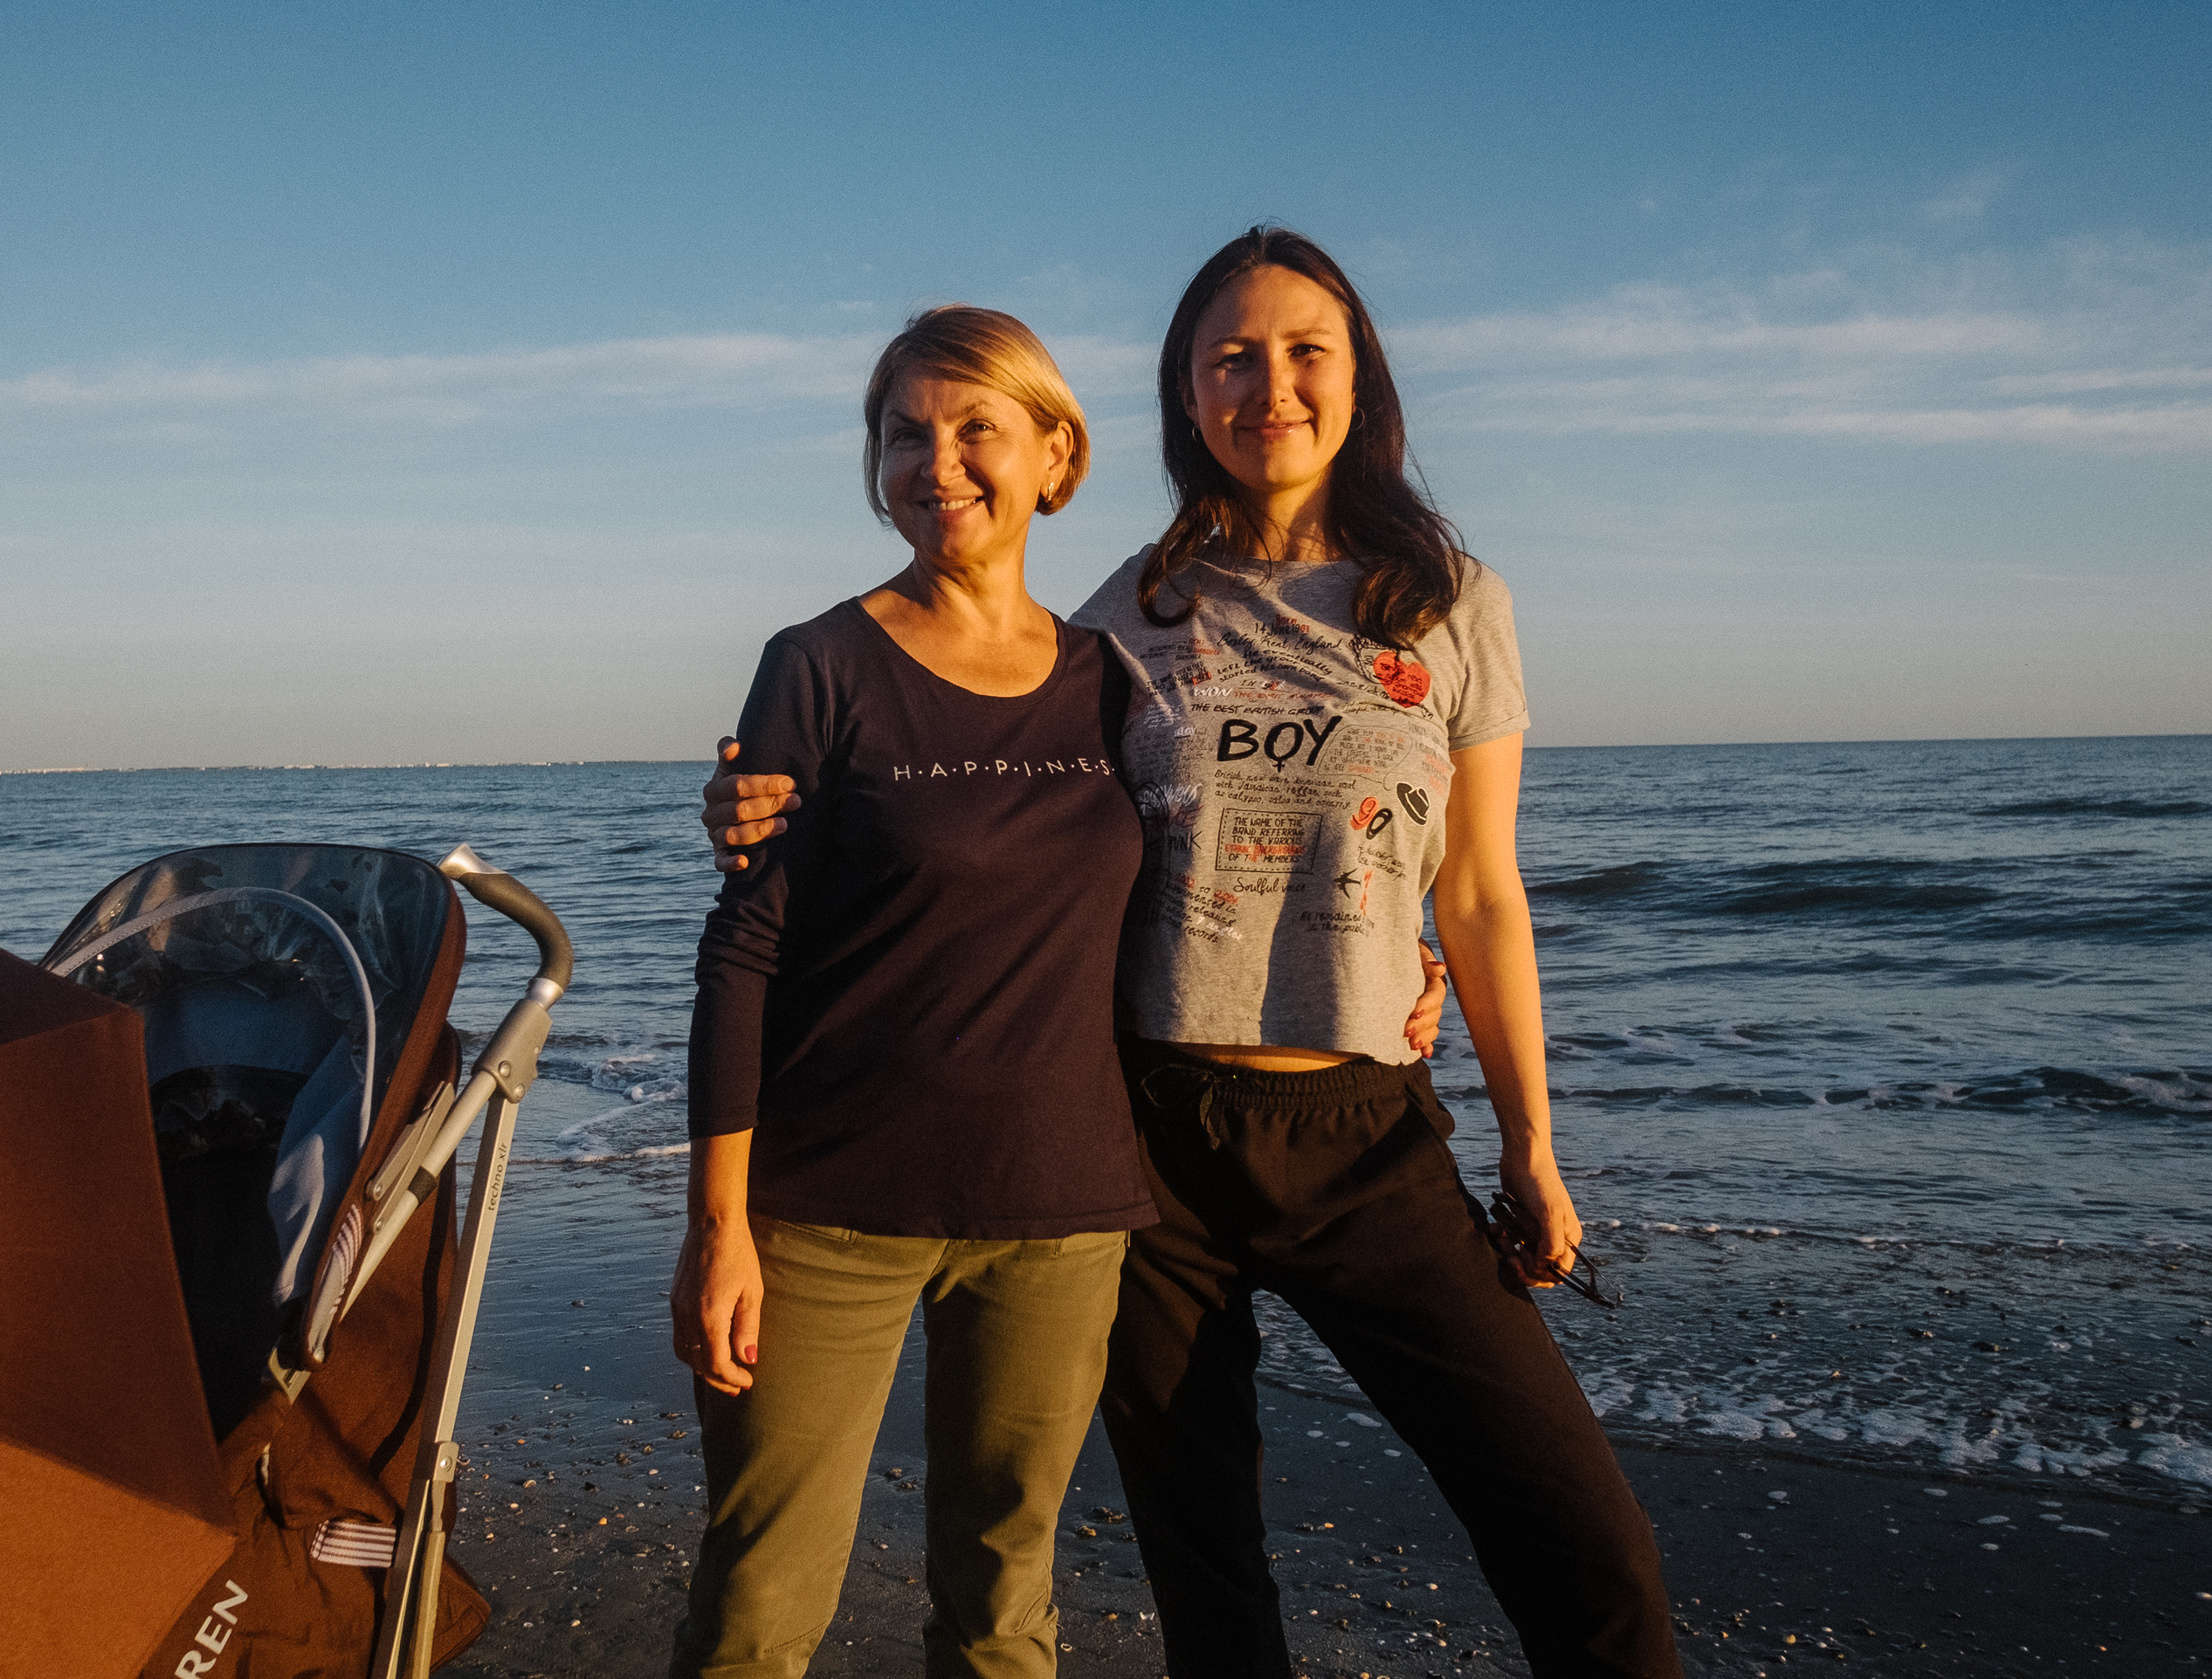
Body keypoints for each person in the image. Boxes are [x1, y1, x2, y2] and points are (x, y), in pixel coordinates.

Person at [710, 228, 1680, 1679]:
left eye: (1305, 352)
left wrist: (1531, 1146)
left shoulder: (1454, 602)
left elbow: (1479, 891)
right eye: (1230, 356)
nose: (1268, 386)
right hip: (1147, 1143)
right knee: (1208, 1578)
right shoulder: (1121, 621)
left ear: (1360, 380)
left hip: (1363, 1136)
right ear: (1184, 395)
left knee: (1586, 1545)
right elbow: (989, 811)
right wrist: (762, 803)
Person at [668, 305, 1161, 1679]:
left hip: (1059, 1215)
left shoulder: (1114, 680)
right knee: (759, 1612)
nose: (936, 464)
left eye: (974, 429)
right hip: (826, 1214)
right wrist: (719, 1225)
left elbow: (1212, 891)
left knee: (1006, 1613)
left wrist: (1401, 962)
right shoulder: (816, 666)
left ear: (1053, 454)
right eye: (904, 435)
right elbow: (743, 949)